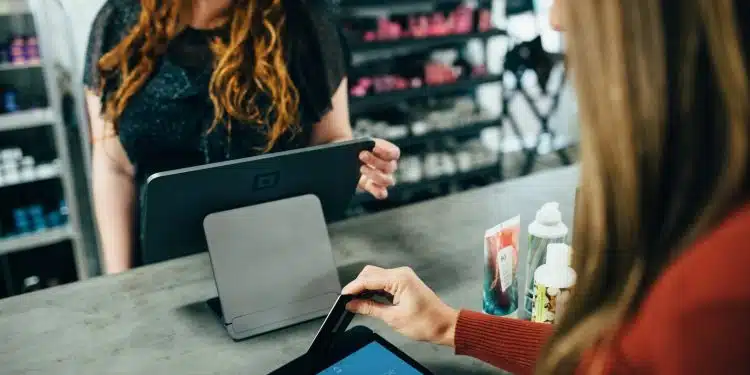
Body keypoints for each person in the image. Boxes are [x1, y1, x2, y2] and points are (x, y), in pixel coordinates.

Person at [343, 0, 750, 374]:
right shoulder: (700, 223)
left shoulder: (712, 292)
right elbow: (612, 361)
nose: (556, 17)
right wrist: (447, 325)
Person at [83, 0, 400, 274]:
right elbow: (115, 166)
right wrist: (120, 280)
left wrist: (354, 162)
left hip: (280, 257)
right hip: (161, 267)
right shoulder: (118, 23)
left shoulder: (305, 21)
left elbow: (330, 139)